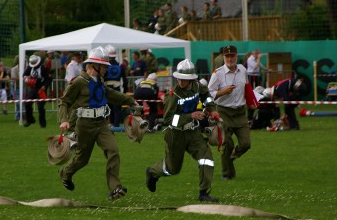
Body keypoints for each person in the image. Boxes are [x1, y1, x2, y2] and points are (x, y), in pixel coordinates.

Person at [58, 46, 137, 201]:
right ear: (94, 66)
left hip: (101, 124)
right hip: (85, 125)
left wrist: (130, 100)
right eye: (104, 67)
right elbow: (64, 101)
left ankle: (115, 188)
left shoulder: (100, 81)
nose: (107, 70)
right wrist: (64, 120)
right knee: (82, 160)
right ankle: (65, 173)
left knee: (113, 150)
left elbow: (111, 94)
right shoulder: (79, 82)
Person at [146, 59, 220, 202]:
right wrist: (190, 116)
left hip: (192, 132)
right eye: (179, 78)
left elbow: (207, 97)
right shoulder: (173, 95)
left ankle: (204, 193)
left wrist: (212, 110)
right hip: (175, 135)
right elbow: (167, 121)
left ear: (192, 79)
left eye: (184, 79)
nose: (180, 81)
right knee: (172, 169)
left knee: (206, 158)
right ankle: (152, 172)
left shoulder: (198, 87)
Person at [208, 45, 251, 180]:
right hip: (223, 112)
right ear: (223, 57)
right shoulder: (218, 73)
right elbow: (209, 94)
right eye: (227, 56)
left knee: (245, 144)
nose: (230, 59)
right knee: (227, 143)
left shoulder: (243, 70)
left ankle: (231, 158)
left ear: (236, 56)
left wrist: (252, 102)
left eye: (232, 56)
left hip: (240, 113)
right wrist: (222, 92)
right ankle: (227, 174)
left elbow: (247, 88)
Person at [23, 55, 51, 128]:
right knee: (27, 104)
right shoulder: (30, 68)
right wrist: (26, 79)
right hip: (33, 89)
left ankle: (42, 124)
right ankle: (30, 120)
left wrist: (44, 86)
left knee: (40, 107)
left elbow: (48, 79)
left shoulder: (44, 68)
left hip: (41, 90)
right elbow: (24, 74)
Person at [104, 44, 128, 127]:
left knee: (108, 106)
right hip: (117, 88)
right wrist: (125, 90)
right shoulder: (120, 66)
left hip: (107, 88)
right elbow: (125, 80)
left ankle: (110, 123)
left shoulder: (105, 66)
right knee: (117, 107)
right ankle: (116, 124)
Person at [10, 55, 26, 121]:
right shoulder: (14, 69)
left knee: (22, 101)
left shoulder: (25, 69)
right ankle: (20, 114)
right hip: (14, 87)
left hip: (22, 87)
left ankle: (19, 115)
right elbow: (13, 78)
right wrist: (22, 78)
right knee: (17, 102)